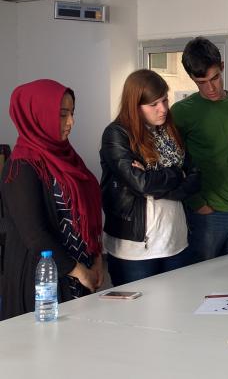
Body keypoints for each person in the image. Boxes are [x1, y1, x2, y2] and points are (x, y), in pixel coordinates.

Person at [0, 79, 104, 320]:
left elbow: (87, 214)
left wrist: (97, 259)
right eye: (62, 114)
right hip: (46, 281)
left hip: (82, 273)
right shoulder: (21, 167)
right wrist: (80, 272)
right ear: (37, 116)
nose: (71, 122)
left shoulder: (67, 158)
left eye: (72, 113)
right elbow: (35, 235)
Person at [100, 70, 200, 285]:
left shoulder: (170, 130)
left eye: (164, 100)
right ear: (134, 105)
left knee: (176, 313)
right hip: (135, 249)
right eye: (154, 104)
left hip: (175, 240)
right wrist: (176, 174)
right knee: (135, 316)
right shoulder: (116, 135)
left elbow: (194, 179)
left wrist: (156, 179)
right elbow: (141, 183)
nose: (163, 109)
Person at [170, 37, 228, 263]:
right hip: (207, 213)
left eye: (215, 78)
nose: (211, 88)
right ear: (192, 79)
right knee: (203, 280)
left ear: (222, 67)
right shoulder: (180, 112)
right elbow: (174, 163)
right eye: (201, 82)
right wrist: (197, 203)